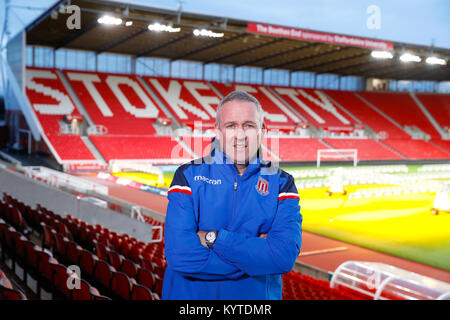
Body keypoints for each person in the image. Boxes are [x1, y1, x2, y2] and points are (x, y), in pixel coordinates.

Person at [162, 91, 302, 300]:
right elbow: (181, 256)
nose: (240, 135)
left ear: (262, 130)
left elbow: (282, 257)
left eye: (249, 125)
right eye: (231, 126)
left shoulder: (282, 183)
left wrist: (213, 238)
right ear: (218, 132)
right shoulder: (188, 176)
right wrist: (256, 259)